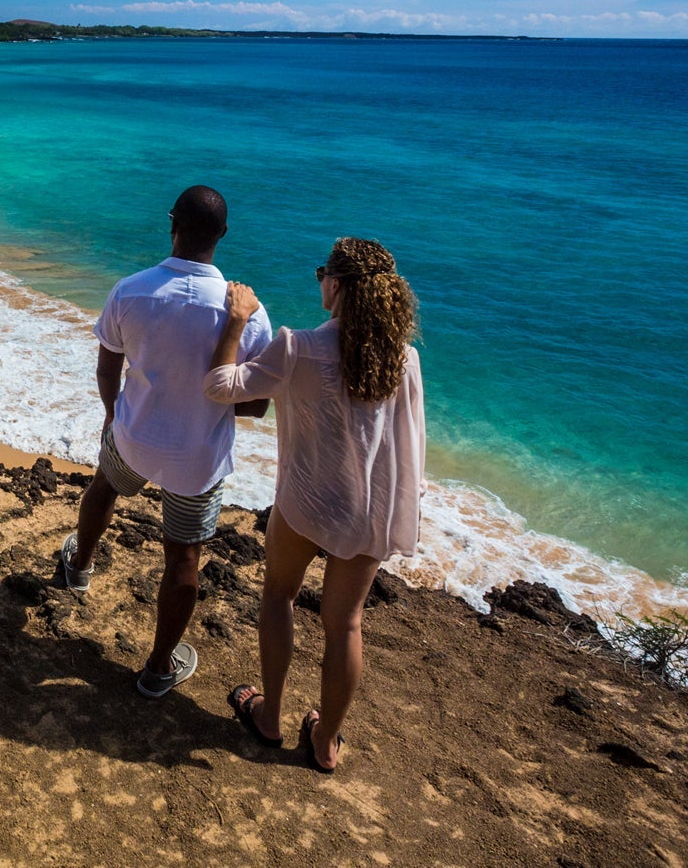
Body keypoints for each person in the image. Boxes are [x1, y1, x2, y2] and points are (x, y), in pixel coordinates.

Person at [205, 238, 424, 774]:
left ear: (339, 285)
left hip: (305, 502)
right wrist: (404, 508)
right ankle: (325, 740)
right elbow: (409, 439)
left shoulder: (297, 345)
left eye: (324, 271)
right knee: (345, 625)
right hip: (367, 509)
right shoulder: (404, 357)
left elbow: (220, 386)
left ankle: (271, 717)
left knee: (278, 597)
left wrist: (238, 320)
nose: (320, 279)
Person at [55, 186, 272, 698]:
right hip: (198, 458)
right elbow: (257, 405)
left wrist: (113, 416)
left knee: (104, 487)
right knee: (182, 559)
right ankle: (156, 669)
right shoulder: (251, 314)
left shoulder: (131, 291)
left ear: (170, 222)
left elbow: (108, 364)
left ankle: (79, 568)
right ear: (222, 235)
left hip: (134, 437)